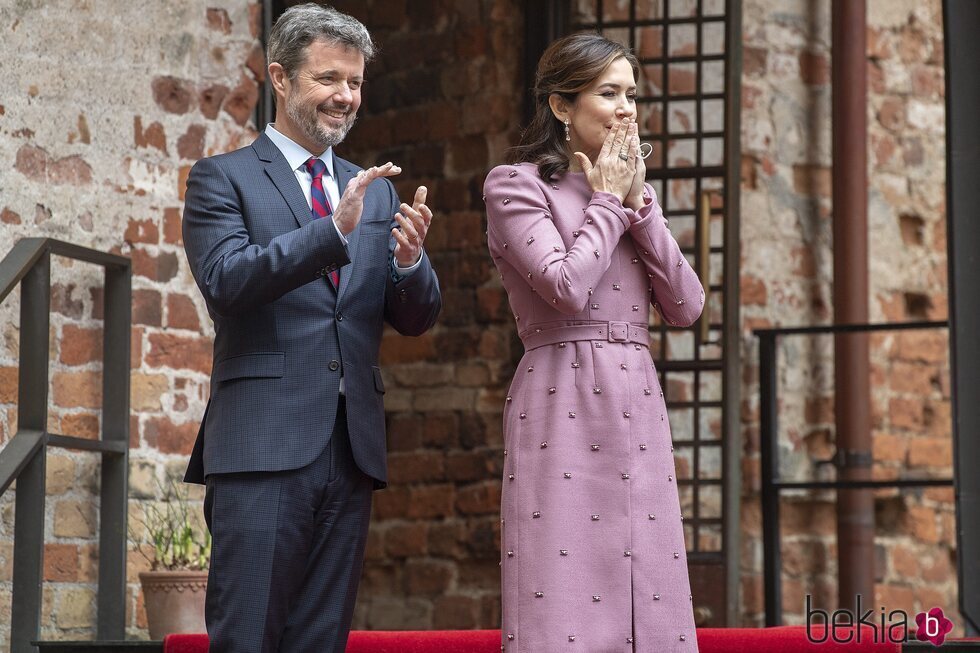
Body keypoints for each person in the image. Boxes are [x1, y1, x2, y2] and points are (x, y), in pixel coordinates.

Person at [180, 4, 441, 651]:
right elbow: (227, 281)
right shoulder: (224, 178)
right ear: (281, 78)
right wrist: (332, 232)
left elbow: (414, 317)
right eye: (329, 79)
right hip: (262, 449)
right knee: (248, 638)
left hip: (349, 452)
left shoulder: (372, 190)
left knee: (320, 641)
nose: (345, 96)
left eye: (354, 82)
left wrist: (409, 264)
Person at [484, 32, 704, 652]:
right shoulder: (514, 185)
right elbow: (565, 287)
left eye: (631, 93)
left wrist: (639, 205)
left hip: (636, 391)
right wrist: (607, 201)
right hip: (561, 390)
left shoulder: (634, 196)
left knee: (648, 580)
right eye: (609, 93)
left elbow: (687, 306)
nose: (627, 108)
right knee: (563, 581)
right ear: (561, 105)